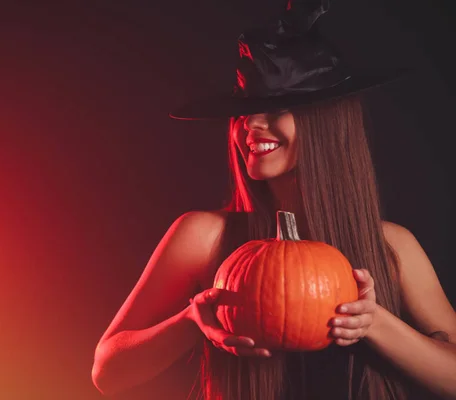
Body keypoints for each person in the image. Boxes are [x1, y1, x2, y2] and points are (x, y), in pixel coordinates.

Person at [91, 1, 456, 399]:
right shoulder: (202, 236)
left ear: (326, 123)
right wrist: (190, 321)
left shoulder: (392, 246)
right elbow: (108, 371)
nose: (250, 124)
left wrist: (375, 324)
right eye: (245, 111)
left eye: (277, 108)